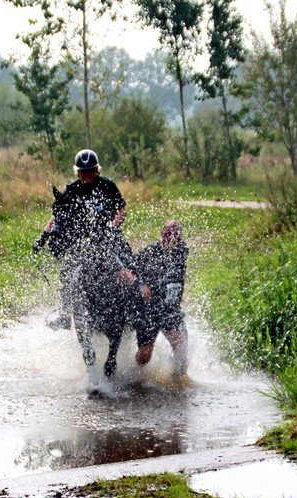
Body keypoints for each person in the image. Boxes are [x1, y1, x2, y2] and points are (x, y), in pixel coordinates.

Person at [39, 149, 128, 329]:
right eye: (82, 172)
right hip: (82, 239)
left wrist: (112, 226)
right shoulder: (72, 190)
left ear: (96, 170)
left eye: (90, 172)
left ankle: (132, 303)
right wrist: (44, 235)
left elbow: (121, 210)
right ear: (77, 172)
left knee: (126, 260)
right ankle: (66, 315)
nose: (86, 176)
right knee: (67, 269)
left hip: (108, 235)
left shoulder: (108, 186)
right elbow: (57, 214)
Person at [133, 220, 189, 378]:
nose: (171, 237)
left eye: (175, 233)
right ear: (162, 233)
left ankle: (179, 381)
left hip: (170, 309)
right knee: (145, 355)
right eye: (168, 233)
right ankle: (137, 377)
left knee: (181, 348)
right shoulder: (151, 251)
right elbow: (132, 267)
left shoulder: (182, 250)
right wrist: (141, 284)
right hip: (149, 310)